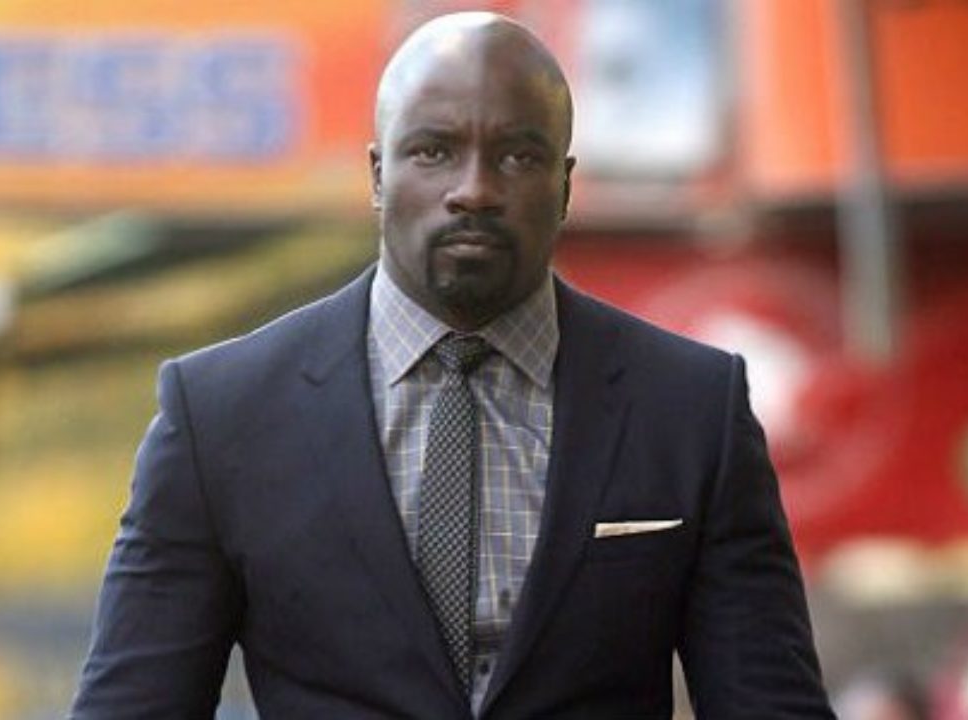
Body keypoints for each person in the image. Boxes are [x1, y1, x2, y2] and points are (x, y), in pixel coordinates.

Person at [71, 11, 834, 719]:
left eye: (517, 155)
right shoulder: (220, 416)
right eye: (433, 151)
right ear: (378, 176)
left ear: (565, 186)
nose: (474, 190)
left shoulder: (691, 409)